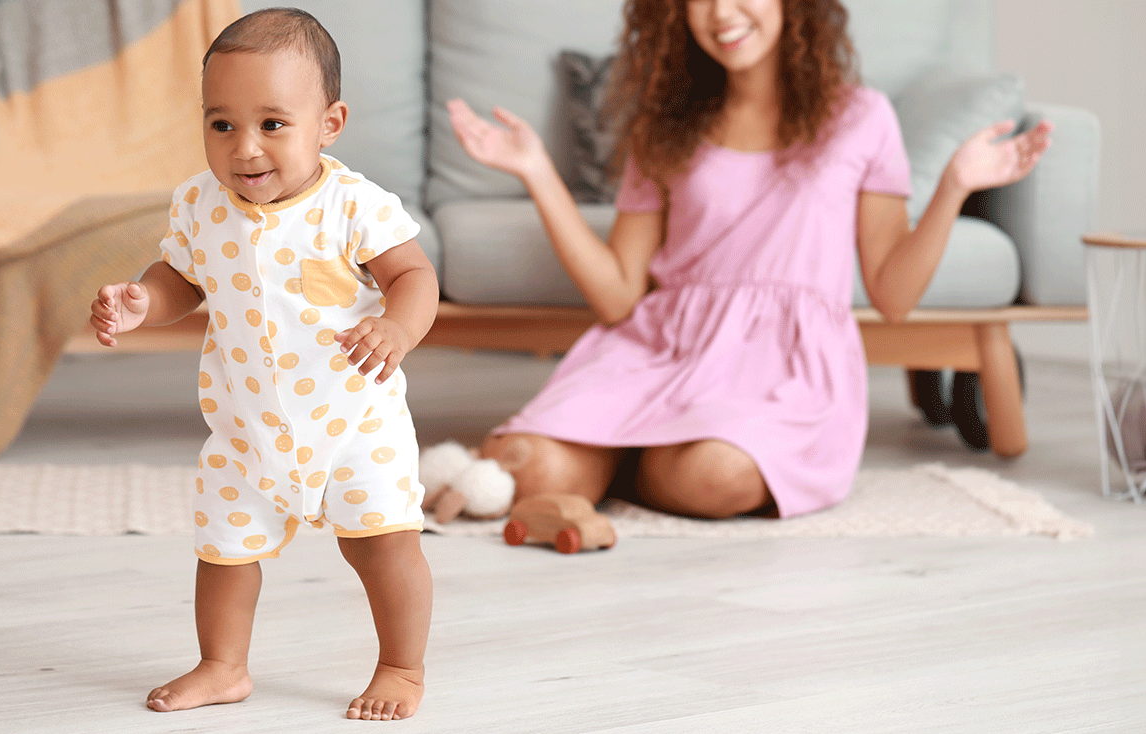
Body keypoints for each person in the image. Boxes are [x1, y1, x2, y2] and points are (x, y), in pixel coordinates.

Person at [448, 0, 1051, 527]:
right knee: (531, 468)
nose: (721, 11)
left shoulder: (862, 118)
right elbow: (617, 296)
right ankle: (621, 458)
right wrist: (538, 172)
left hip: (782, 367)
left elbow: (892, 295)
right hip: (661, 350)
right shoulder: (665, 123)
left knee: (717, 475)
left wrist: (953, 187)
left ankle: (621, 463)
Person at [90, 8, 437, 721]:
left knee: (383, 548)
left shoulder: (352, 206)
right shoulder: (198, 203)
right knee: (222, 551)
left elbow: (414, 277)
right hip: (246, 428)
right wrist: (142, 303)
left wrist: (396, 327)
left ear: (329, 123)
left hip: (353, 424)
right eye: (222, 124)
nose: (244, 148)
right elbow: (180, 279)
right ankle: (223, 665)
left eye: (272, 124)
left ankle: (401, 667)